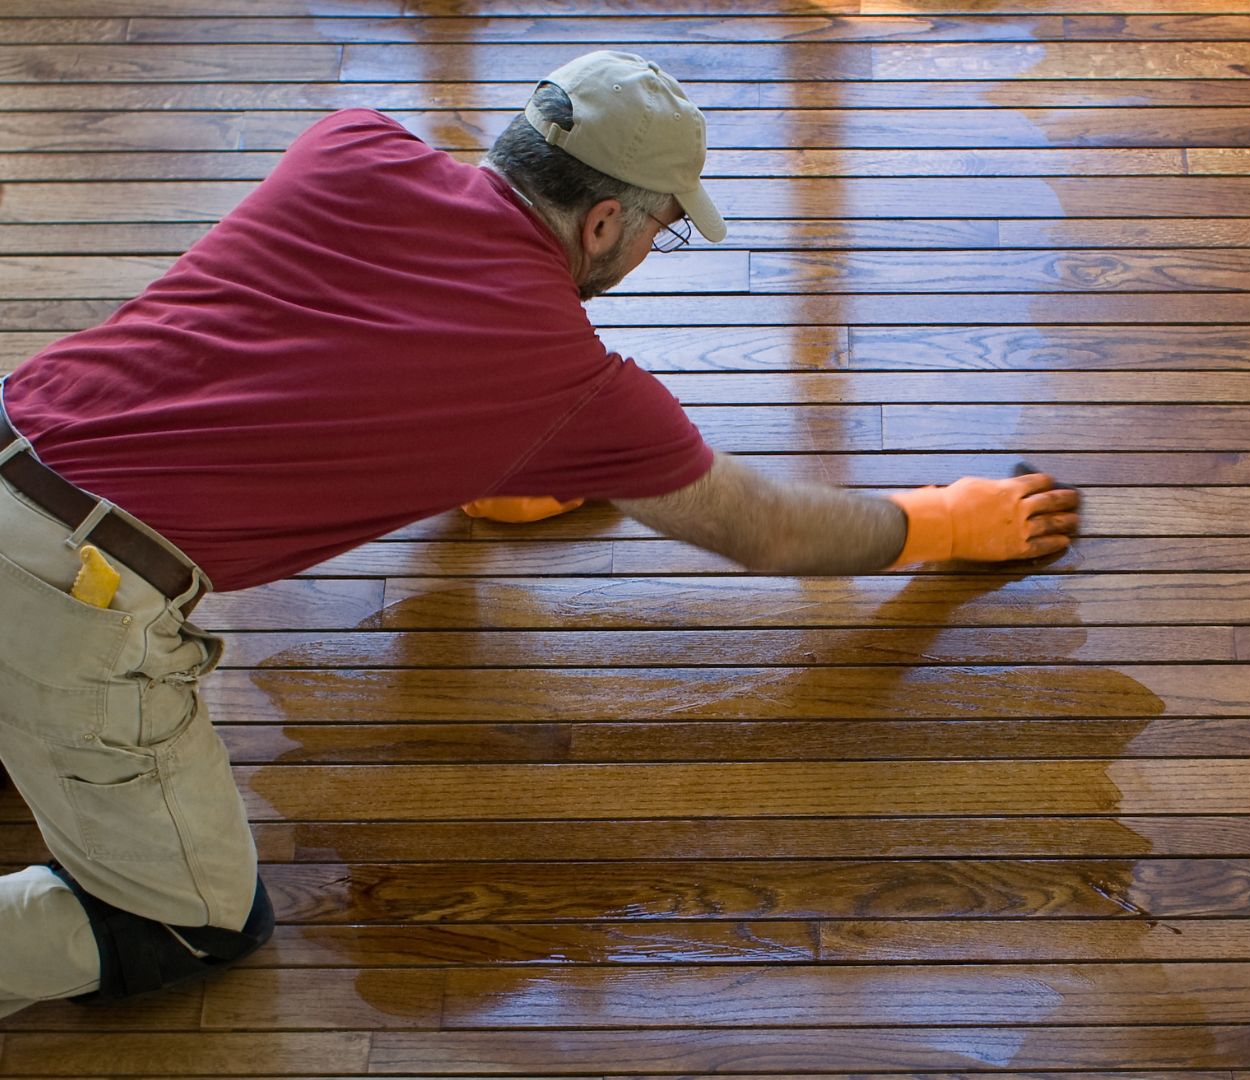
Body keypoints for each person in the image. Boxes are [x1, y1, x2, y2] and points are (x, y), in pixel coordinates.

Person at [0, 51, 1078, 1014]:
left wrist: (510, 459)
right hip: (70, 594)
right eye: (664, 227)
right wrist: (941, 521)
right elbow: (767, 534)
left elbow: (334, 345)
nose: (656, 249)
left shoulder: (351, 144)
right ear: (605, 222)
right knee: (184, 928)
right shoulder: (569, 381)